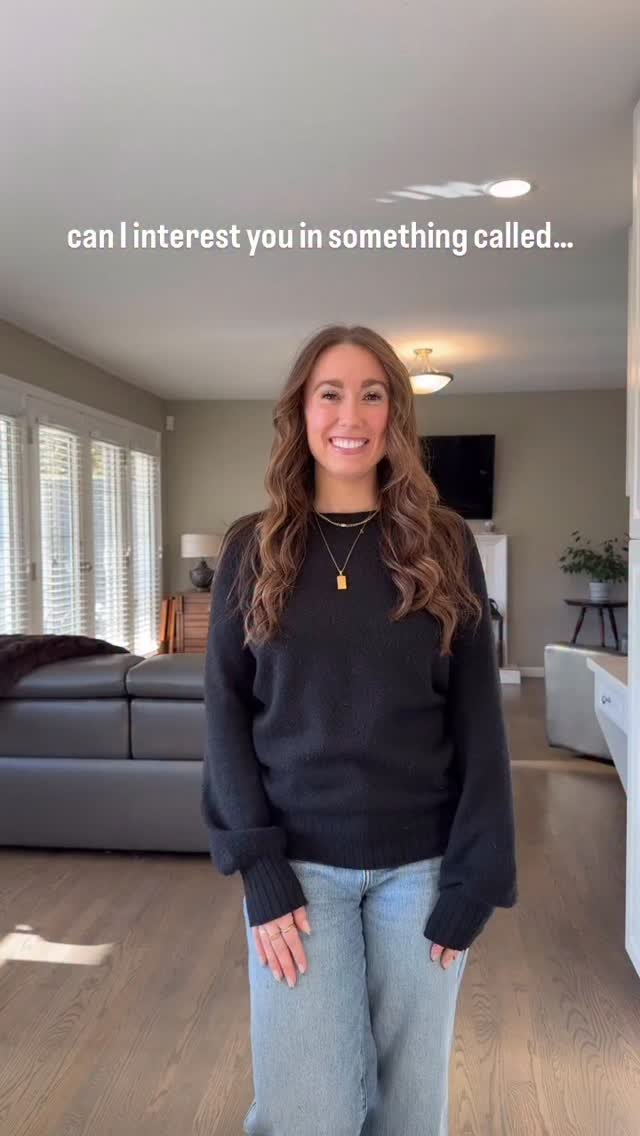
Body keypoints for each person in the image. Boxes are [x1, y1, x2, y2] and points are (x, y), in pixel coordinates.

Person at [201, 324, 518, 1136]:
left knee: (411, 1113)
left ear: (395, 414)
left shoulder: (444, 543)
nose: (351, 415)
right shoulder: (251, 548)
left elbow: (479, 719)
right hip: (297, 876)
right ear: (301, 413)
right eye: (331, 394)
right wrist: (258, 868)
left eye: (372, 394)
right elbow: (226, 714)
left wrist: (478, 878)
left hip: (424, 870)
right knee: (310, 1114)